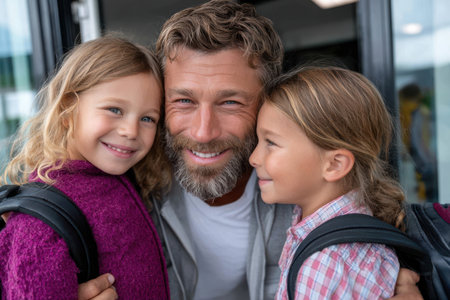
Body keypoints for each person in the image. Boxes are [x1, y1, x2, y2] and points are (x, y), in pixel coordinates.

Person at [78, 1, 422, 299]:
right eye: (183, 101)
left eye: (230, 102)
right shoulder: (123, 185)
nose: (203, 131)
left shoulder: (309, 193)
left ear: (268, 105)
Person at [0, 35, 171, 299]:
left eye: (148, 118)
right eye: (114, 109)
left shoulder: (123, 178)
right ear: (68, 107)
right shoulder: (39, 223)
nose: (131, 130)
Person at [250, 66, 406, 299]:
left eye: (271, 143)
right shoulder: (356, 229)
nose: (253, 158)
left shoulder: (324, 262)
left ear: (334, 165)